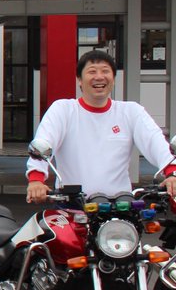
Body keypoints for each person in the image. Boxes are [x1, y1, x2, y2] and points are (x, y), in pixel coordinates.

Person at [26, 50, 176, 202]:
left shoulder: (131, 111)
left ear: (113, 78)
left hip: (121, 209)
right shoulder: (63, 110)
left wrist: (172, 173)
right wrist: (36, 179)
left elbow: (155, 141)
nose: (99, 77)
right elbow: (43, 142)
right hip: (73, 207)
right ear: (79, 79)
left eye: (105, 71)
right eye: (92, 71)